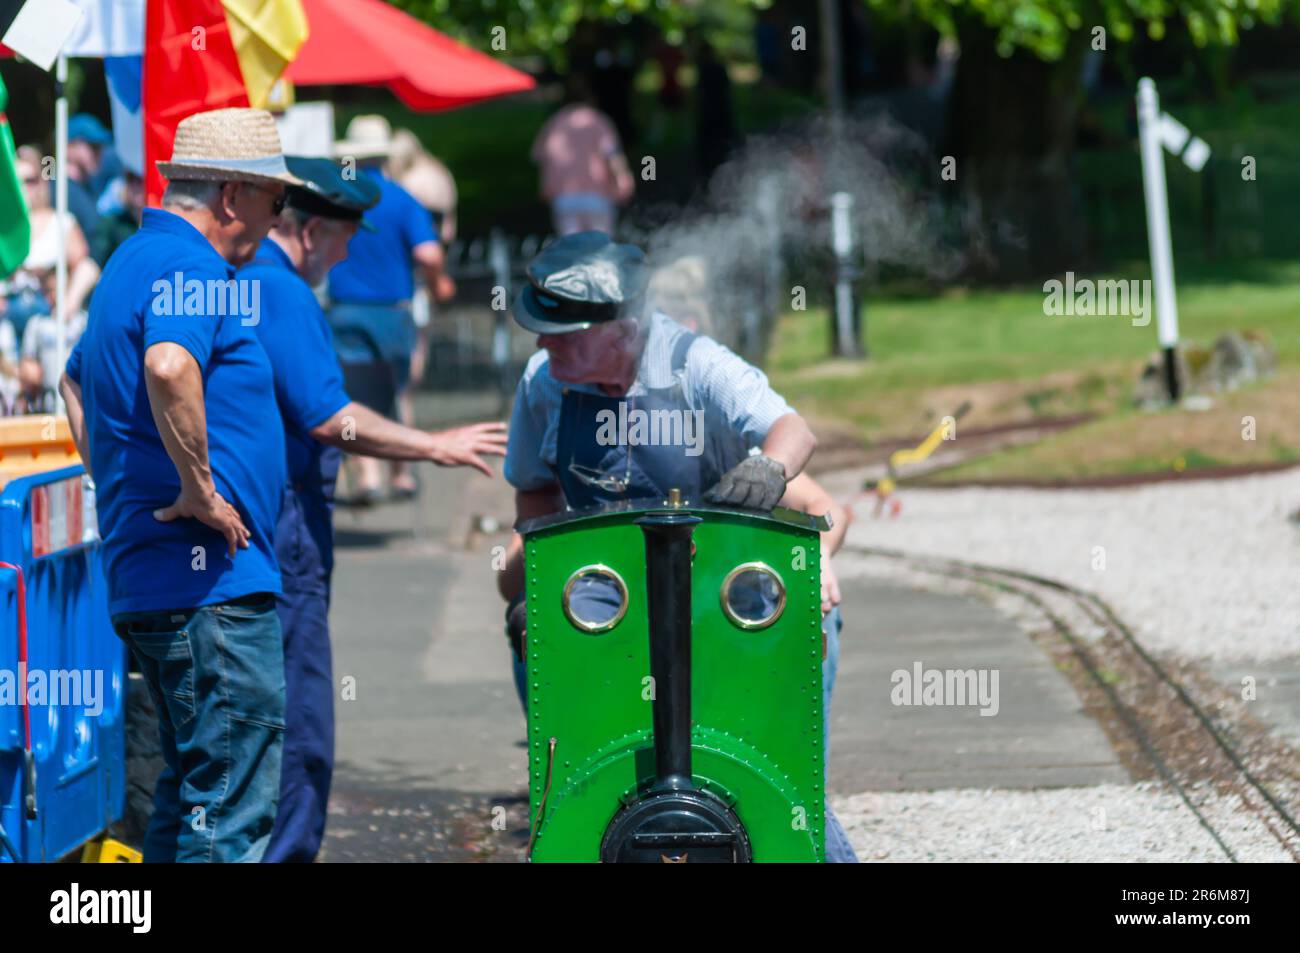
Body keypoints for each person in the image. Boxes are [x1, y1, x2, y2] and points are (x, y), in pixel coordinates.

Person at [495, 231, 858, 862]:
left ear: (624, 329)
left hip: (718, 597)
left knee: (780, 763)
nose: (542, 342)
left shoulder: (697, 365)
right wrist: (532, 561)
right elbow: (533, 494)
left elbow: (792, 431)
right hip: (609, 603)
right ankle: (573, 802)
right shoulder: (543, 383)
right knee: (531, 628)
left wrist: (770, 472)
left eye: (565, 331)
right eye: (541, 329)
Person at [242, 156, 507, 862]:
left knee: (251, 724)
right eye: (345, 240)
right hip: (284, 524)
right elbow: (331, 418)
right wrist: (432, 445)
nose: (350, 253)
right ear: (312, 230)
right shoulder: (282, 291)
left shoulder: (232, 276)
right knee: (301, 724)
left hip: (253, 525)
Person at [59, 107, 302, 863]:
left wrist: (123, 484)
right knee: (227, 808)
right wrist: (197, 488)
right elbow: (168, 366)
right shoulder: (191, 267)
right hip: (209, 587)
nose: (277, 219)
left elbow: (75, 382)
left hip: (157, 578)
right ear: (233, 196)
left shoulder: (133, 260)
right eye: (276, 200)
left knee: (189, 799)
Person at [328, 115, 455, 501]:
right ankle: (401, 472)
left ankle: (368, 475)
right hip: (393, 312)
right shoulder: (402, 200)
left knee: (355, 393)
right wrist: (438, 285)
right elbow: (429, 254)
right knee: (398, 391)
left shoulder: (338, 196)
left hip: (345, 307)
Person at [12, 146, 100, 339]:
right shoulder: (5, 229)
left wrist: (70, 301)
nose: (24, 187)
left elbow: (87, 267)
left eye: (30, 180)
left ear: (42, 182)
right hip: (8, 323)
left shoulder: (61, 222)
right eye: (17, 181)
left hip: (50, 321)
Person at [530, 75, 635, 236]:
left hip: (564, 198)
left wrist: (545, 186)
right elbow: (612, 155)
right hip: (597, 195)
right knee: (600, 251)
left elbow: (542, 158)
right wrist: (623, 179)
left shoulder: (554, 123)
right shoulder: (598, 121)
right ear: (591, 97)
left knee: (573, 250)